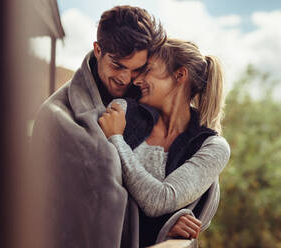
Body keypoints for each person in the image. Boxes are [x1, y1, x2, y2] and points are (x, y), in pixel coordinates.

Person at [31, 5, 203, 248]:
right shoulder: (56, 117)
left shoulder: (151, 104)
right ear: (98, 50)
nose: (125, 78)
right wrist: (159, 226)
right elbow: (62, 209)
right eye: (118, 65)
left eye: (137, 69)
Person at [98, 38, 230, 247]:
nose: (137, 80)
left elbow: (160, 201)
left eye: (147, 70)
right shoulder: (122, 110)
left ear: (179, 75)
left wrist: (117, 139)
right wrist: (162, 226)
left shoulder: (212, 146)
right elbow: (97, 189)